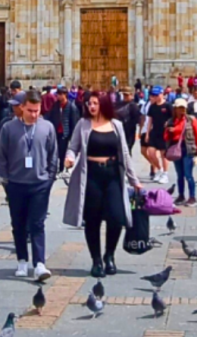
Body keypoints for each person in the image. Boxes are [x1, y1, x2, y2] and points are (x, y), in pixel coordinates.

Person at [63, 91, 142, 277]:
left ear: (103, 105)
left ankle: (109, 255)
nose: (91, 106)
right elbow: (73, 147)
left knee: (116, 217)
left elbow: (125, 153)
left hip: (113, 174)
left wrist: (134, 180)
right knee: (92, 220)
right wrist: (69, 158)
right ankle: (96, 260)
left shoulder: (116, 125)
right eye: (89, 103)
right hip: (91, 174)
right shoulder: (83, 125)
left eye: (95, 103)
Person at [0, 89, 57, 281]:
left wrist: (50, 178)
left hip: (40, 183)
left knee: (37, 224)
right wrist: (5, 180)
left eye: (37, 110)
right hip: (16, 183)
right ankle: (22, 260)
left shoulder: (47, 127)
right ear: (22, 108)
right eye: (30, 110)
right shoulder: (9, 128)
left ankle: (39, 264)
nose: (34, 115)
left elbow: (53, 153)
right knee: (19, 224)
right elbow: (1, 156)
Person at [164, 98, 197, 206]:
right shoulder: (171, 121)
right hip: (176, 149)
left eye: (184, 108)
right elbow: (166, 137)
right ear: (175, 109)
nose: (182, 110)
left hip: (188, 149)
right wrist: (168, 130)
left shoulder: (191, 120)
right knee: (179, 174)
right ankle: (181, 195)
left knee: (188, 174)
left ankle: (192, 197)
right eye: (180, 108)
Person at [141, 86, 171, 184]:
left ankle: (165, 174)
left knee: (163, 154)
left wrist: (169, 123)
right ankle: (160, 169)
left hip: (164, 132)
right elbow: (149, 120)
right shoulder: (152, 107)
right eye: (153, 95)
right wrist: (147, 134)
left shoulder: (167, 106)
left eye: (156, 95)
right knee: (151, 152)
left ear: (162, 94)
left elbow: (173, 117)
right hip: (154, 131)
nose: (155, 96)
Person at [46, 86, 79, 165]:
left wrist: (72, 135)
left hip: (65, 133)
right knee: (54, 150)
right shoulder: (55, 105)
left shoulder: (71, 107)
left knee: (62, 151)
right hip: (56, 131)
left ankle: (61, 167)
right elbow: (51, 116)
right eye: (58, 94)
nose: (59, 96)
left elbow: (73, 121)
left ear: (65, 95)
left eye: (61, 94)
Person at [115, 87, 143, 152]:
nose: (125, 96)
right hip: (117, 131)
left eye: (126, 95)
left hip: (128, 133)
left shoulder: (133, 106)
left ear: (132, 95)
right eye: (124, 95)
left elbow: (138, 120)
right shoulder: (118, 104)